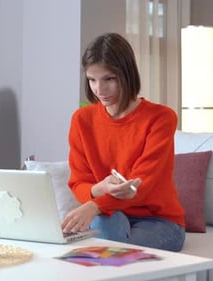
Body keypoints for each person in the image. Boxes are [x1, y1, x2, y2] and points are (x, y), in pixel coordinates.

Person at [61, 33, 185, 252]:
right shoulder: (82, 120)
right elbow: (78, 183)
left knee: (112, 248)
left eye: (109, 79)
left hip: (159, 222)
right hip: (110, 214)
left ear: (127, 74)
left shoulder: (161, 118)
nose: (99, 89)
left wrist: (94, 205)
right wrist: (99, 189)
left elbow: (141, 186)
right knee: (108, 238)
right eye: (92, 80)